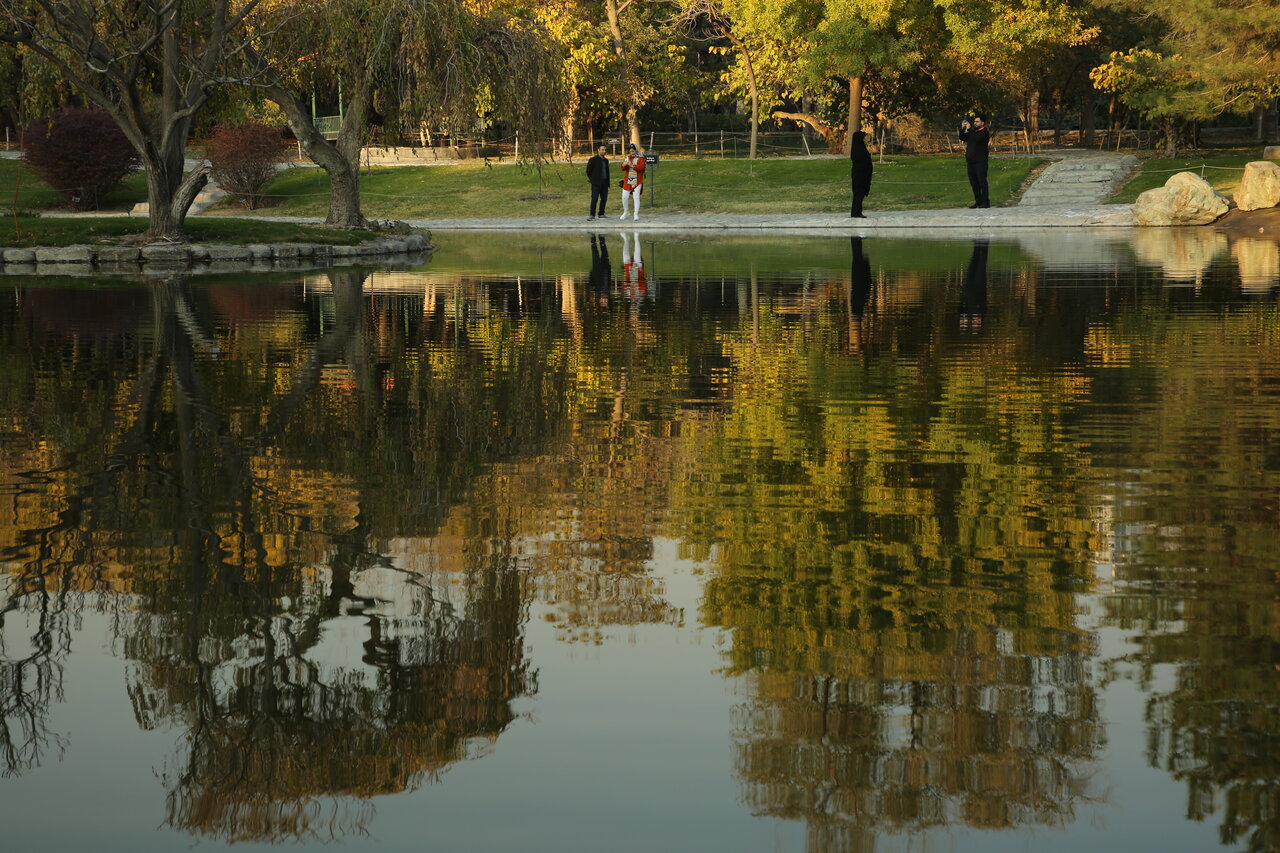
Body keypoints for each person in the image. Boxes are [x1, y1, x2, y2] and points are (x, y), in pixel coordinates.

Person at [959, 114, 990, 208]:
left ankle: (985, 202)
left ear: (982, 123)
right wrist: (963, 128)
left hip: (980, 162)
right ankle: (978, 201)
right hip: (971, 162)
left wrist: (969, 129)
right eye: (974, 121)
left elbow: (976, 139)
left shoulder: (984, 132)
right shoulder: (973, 132)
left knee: (982, 182)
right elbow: (963, 137)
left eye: (977, 122)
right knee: (974, 183)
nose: (975, 123)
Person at [849, 131, 873, 218]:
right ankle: (856, 212)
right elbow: (861, 162)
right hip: (860, 174)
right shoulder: (858, 149)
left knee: (860, 194)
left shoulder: (858, 147)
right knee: (859, 193)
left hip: (861, 174)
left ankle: (857, 211)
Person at [619, 143, 646, 220]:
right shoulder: (628, 157)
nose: (631, 153)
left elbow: (641, 168)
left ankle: (636, 213)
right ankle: (626, 212)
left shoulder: (641, 158)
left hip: (637, 179)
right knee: (624, 196)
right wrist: (623, 165)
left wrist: (632, 165)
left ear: (636, 150)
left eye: (633, 151)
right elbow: (622, 168)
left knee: (636, 197)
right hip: (628, 179)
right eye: (630, 151)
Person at [586, 144, 610, 220]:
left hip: (604, 183)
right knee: (594, 198)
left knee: (604, 199)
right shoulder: (593, 160)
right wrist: (592, 179)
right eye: (602, 150)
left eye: (605, 150)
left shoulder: (606, 161)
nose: (604, 151)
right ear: (598, 150)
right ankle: (592, 214)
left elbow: (607, 172)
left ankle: (601, 213)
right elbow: (588, 171)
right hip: (596, 183)